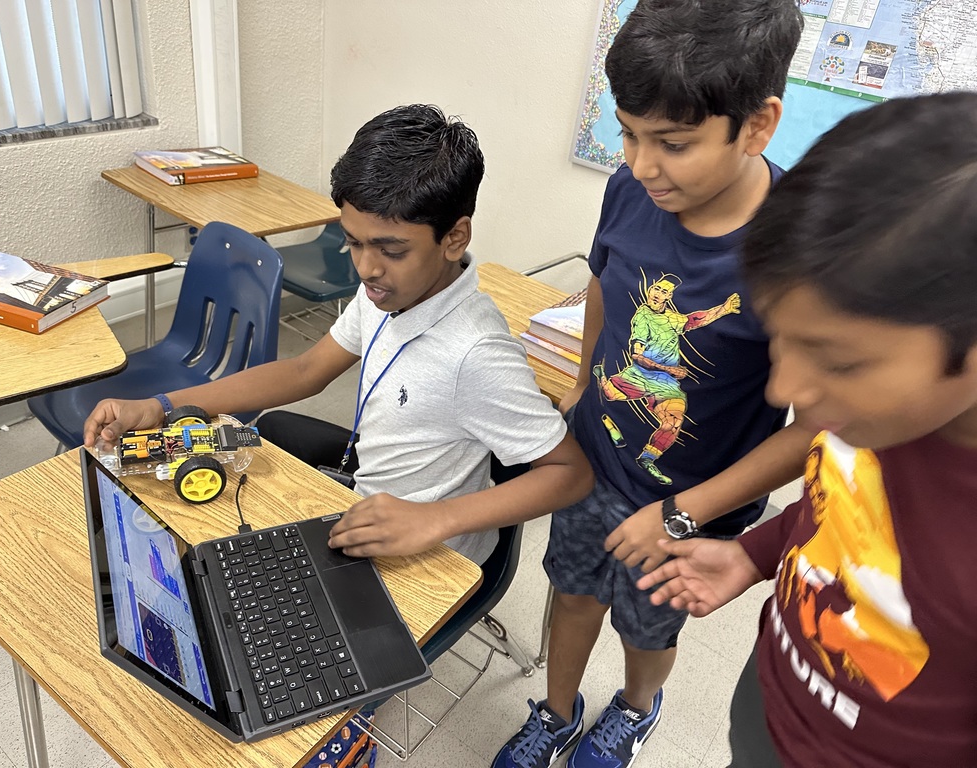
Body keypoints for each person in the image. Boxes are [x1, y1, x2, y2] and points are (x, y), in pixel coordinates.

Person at [492, 2, 811, 767]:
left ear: (758, 126)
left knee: (646, 625)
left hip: (697, 503)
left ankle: (635, 709)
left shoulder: (799, 247)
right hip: (595, 461)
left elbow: (814, 429)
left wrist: (680, 514)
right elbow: (605, 283)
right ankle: (556, 712)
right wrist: (580, 384)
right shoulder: (636, 190)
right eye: (628, 133)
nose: (639, 164)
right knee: (572, 591)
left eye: (671, 143)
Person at [83, 104, 594, 566]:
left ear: (454, 238)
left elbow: (571, 474)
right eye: (353, 242)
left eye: (390, 249)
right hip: (363, 491)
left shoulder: (477, 354)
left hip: (426, 550)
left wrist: (437, 520)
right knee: (217, 489)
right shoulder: (391, 292)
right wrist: (163, 404)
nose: (366, 268)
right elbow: (306, 370)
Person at [637, 91, 977, 768]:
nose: (784, 391)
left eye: (837, 359)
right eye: (784, 341)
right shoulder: (881, 415)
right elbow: (837, 512)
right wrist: (753, 555)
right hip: (773, 701)